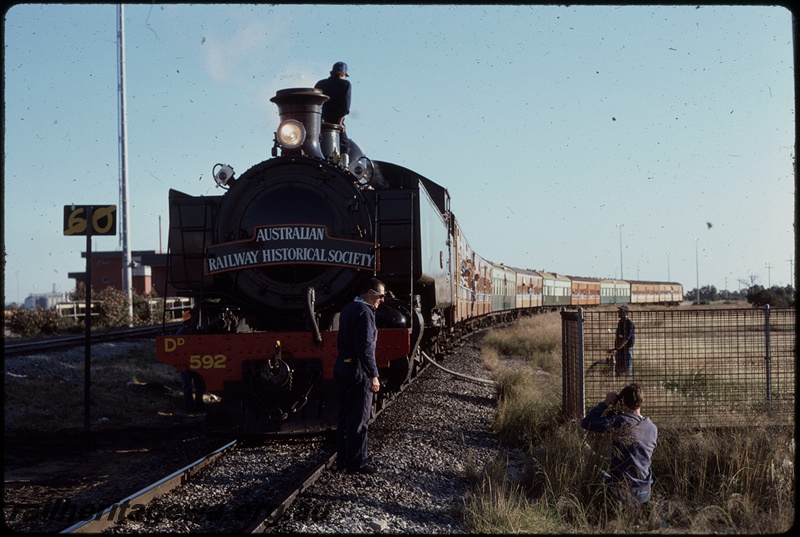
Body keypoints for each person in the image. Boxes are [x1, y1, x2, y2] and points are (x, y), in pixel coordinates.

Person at [334, 277, 385, 474]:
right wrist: (373, 374)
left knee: (344, 418)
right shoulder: (365, 312)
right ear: (370, 293)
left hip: (342, 367)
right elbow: (365, 348)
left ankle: (342, 460)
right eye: (380, 295)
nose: (382, 299)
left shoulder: (347, 308)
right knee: (360, 419)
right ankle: (357, 463)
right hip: (358, 371)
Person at [580, 384, 657, 504]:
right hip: (645, 492)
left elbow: (586, 423)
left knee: (593, 470)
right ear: (641, 402)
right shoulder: (652, 427)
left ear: (623, 403)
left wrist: (605, 403)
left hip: (623, 491)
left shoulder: (622, 422)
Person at [314, 61, 352, 154]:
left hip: (319, 121)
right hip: (335, 121)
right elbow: (345, 108)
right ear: (343, 74)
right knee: (345, 147)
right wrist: (340, 124)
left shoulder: (321, 83)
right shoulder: (345, 84)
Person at [177, 311, 205, 412]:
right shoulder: (185, 332)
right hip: (192, 362)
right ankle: (193, 405)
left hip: (191, 362)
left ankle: (193, 404)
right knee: (194, 385)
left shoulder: (181, 332)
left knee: (191, 385)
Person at [608, 304, 635, 378]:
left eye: (621, 311)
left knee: (627, 369)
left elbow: (627, 338)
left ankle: (628, 383)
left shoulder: (630, 324)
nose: (619, 313)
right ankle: (619, 381)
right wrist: (616, 348)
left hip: (626, 349)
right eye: (619, 311)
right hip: (620, 349)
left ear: (626, 313)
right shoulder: (620, 323)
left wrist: (617, 348)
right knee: (618, 368)